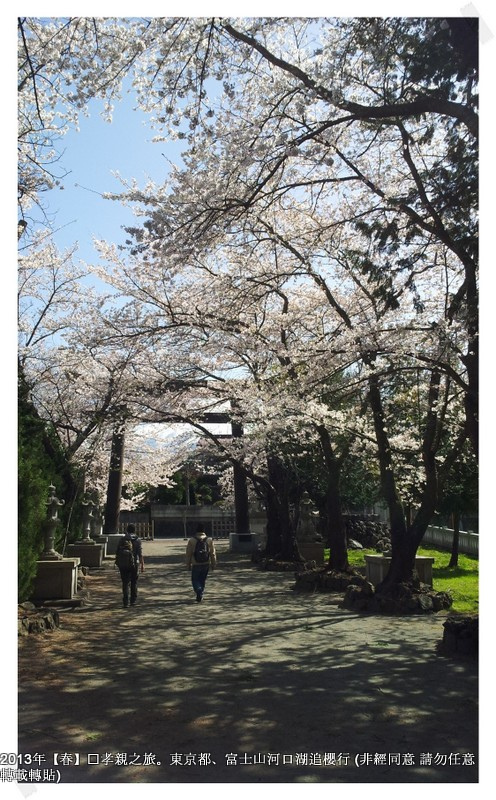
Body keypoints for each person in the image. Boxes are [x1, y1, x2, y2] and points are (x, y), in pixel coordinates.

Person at [115, 523, 144, 607]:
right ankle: (133, 601)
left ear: (127, 530)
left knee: (125, 582)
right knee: (134, 582)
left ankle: (125, 602)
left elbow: (117, 551)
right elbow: (140, 553)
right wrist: (142, 565)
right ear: (135, 530)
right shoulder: (138, 540)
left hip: (123, 563)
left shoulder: (122, 539)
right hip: (134, 563)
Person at [186, 524, 217, 602]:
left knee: (195, 580)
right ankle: (200, 594)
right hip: (206, 563)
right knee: (202, 580)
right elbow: (212, 553)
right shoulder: (209, 540)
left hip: (196, 563)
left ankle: (198, 591)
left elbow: (188, 554)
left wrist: (188, 564)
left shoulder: (192, 540)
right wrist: (213, 564)